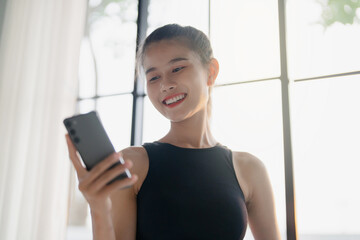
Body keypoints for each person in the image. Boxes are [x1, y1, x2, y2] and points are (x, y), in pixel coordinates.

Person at [65, 24, 281, 240]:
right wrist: (98, 208)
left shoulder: (250, 169)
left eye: (177, 69)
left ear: (211, 72)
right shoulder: (132, 164)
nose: (165, 85)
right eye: (153, 78)